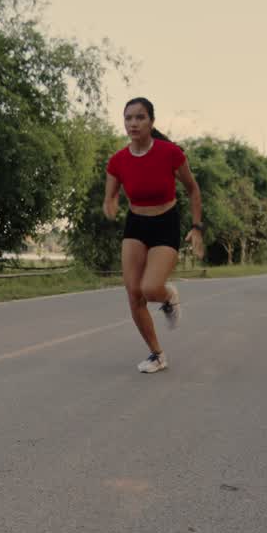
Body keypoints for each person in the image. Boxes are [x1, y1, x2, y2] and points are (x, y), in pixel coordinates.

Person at [103, 97, 204, 373]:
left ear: (151, 121)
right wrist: (110, 205)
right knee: (134, 294)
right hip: (136, 224)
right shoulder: (118, 161)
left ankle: (169, 296)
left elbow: (193, 190)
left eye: (140, 117)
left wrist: (197, 227)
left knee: (150, 288)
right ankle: (157, 354)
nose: (133, 123)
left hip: (165, 223)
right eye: (128, 118)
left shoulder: (170, 153)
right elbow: (110, 196)